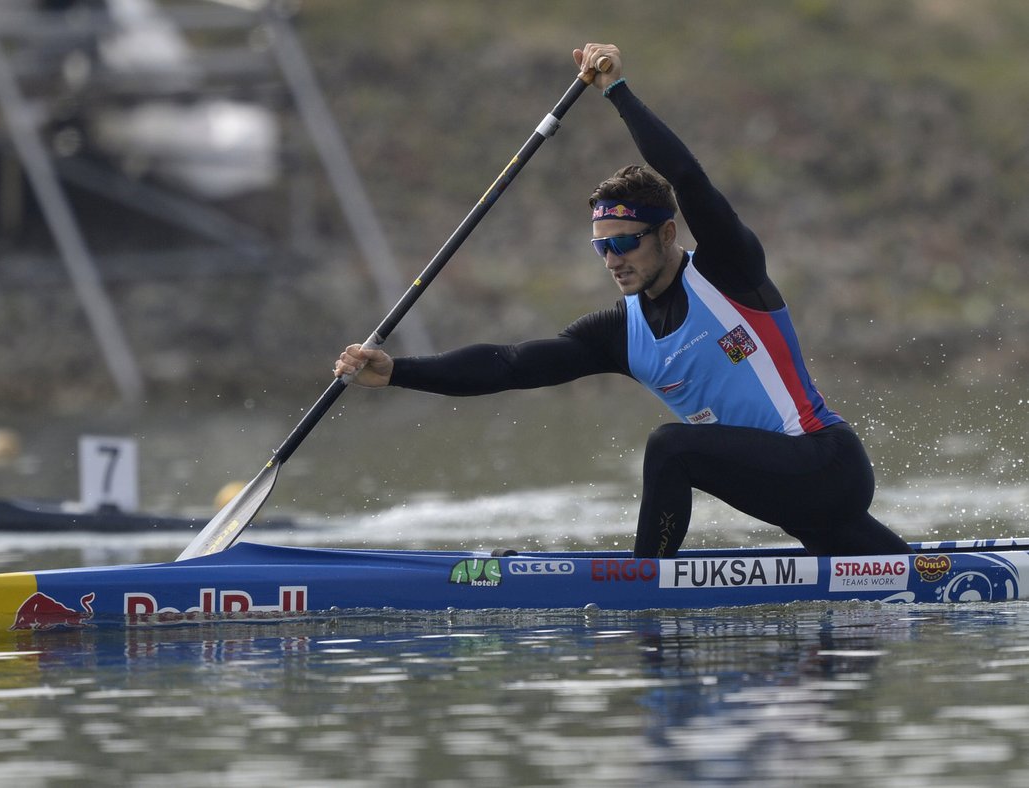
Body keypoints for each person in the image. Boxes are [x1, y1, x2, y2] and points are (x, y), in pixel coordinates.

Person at [334, 43, 912, 558]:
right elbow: (507, 364)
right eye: (602, 248)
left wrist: (616, 91)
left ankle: (643, 583)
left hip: (825, 463)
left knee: (670, 448)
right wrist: (396, 372)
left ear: (666, 235)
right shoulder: (619, 333)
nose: (614, 260)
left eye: (626, 243)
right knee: (900, 580)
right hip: (787, 495)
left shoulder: (730, 273)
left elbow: (686, 176)